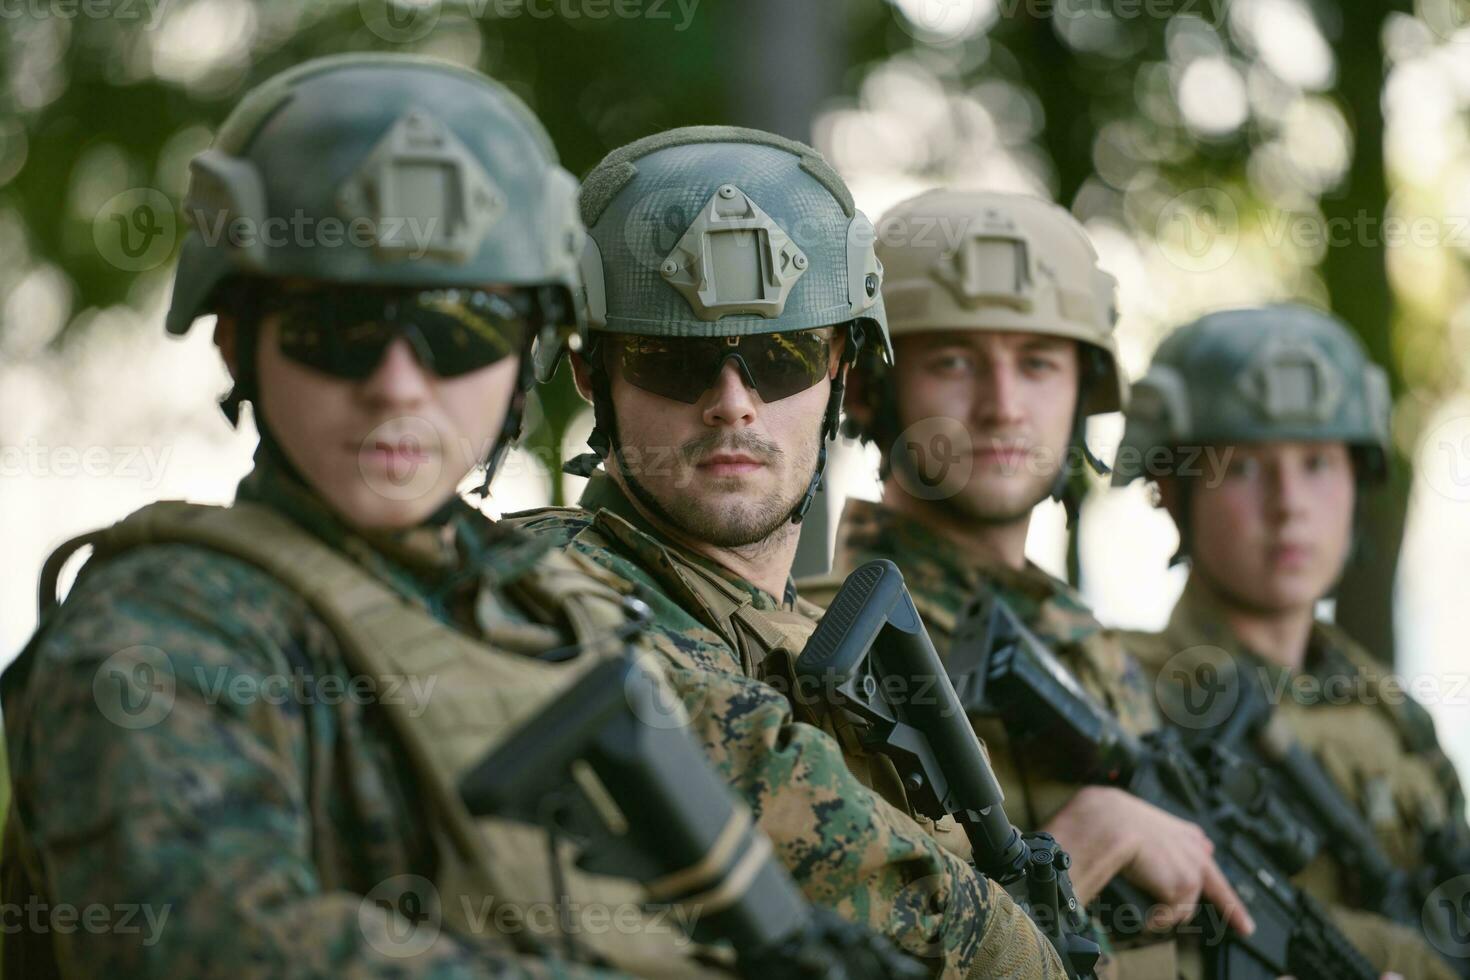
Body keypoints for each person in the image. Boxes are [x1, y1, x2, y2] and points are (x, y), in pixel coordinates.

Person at [1, 57, 963, 979]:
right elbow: (217, 954)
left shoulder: (546, 611)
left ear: (522, 353)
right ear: (234, 343)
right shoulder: (159, 633)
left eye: (458, 329)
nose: (397, 385)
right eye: (335, 329)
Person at [509, 128, 1067, 978]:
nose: (732, 405)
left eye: (780, 357)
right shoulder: (541, 587)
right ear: (592, 374)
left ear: (840, 365)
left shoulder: (825, 640)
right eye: (674, 359)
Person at [801, 189, 1255, 978]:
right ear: (871, 388)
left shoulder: (1089, 645)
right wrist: (1078, 845)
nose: (1003, 407)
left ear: (1083, 396)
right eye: (953, 361)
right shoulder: (816, 645)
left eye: (1038, 363)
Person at [1114, 304, 1467, 980]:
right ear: (1171, 488)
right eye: (1244, 467)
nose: (1289, 504)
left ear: (1358, 485)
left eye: (1317, 463)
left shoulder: (1393, 717)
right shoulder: (1123, 691)